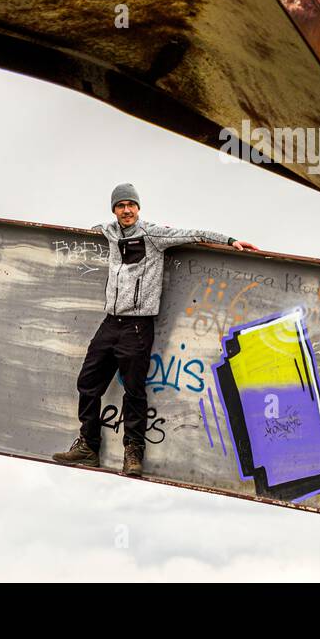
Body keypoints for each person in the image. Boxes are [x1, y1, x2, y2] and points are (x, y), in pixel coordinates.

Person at [52, 183, 256, 477]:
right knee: (87, 382)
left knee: (134, 390)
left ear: (138, 208)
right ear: (114, 210)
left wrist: (231, 240)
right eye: (120, 206)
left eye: (130, 205)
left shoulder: (154, 235)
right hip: (111, 322)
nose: (126, 211)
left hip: (138, 325)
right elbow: (79, 235)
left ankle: (133, 453)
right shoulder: (108, 232)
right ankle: (88, 446)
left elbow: (194, 234)